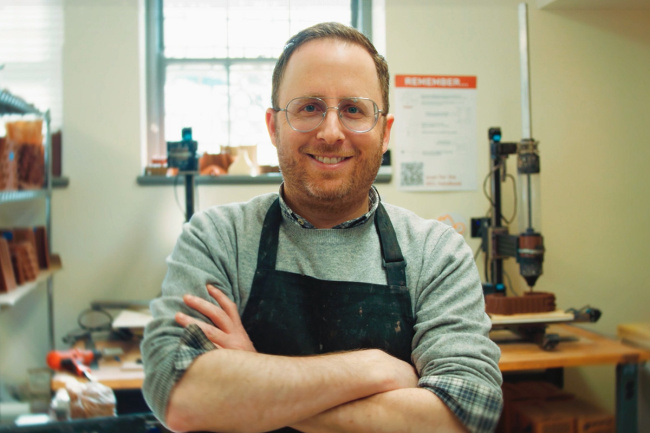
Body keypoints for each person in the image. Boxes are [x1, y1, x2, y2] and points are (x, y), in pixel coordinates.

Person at [141, 22, 503, 433]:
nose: (331, 133)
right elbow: (178, 395)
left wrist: (254, 377)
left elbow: (468, 412)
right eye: (309, 107)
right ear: (273, 126)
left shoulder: (438, 253)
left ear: (385, 133)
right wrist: (376, 369)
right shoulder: (217, 237)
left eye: (353, 109)